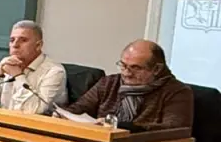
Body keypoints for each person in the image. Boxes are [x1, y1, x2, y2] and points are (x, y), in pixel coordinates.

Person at [65, 39, 194, 131]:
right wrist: (61, 115)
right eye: (123, 65)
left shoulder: (177, 92)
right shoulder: (110, 83)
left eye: (135, 68)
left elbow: (174, 130)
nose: (126, 73)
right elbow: (77, 109)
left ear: (157, 69)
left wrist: (121, 126)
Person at [0, 20, 68, 114]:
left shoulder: (55, 72)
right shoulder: (10, 65)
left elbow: (33, 110)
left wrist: (18, 76)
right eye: (12, 40)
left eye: (23, 40)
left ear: (38, 45)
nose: (15, 45)